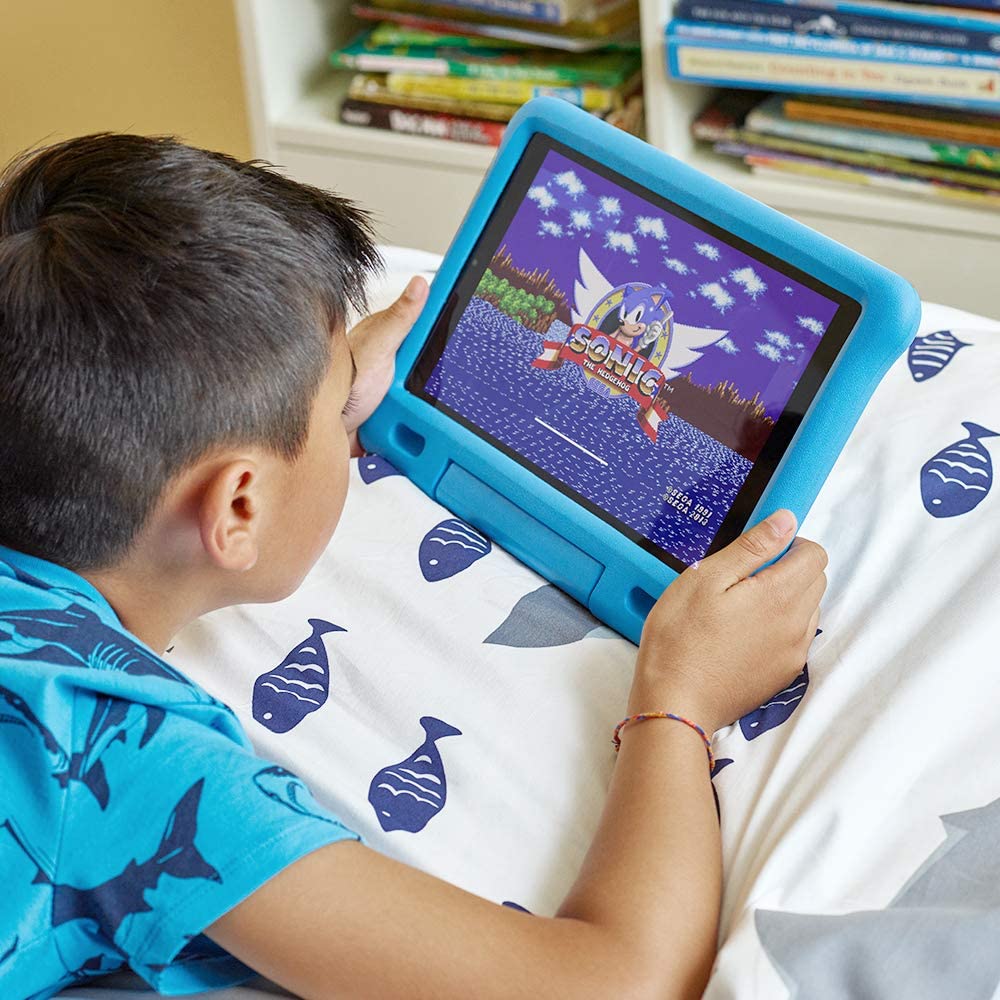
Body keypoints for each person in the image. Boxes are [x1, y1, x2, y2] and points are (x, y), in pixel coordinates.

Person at [0, 134, 827, 1000]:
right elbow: (614, 986)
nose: (355, 421)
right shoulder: (111, 746)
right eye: (339, 407)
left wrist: (299, 407)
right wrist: (679, 703)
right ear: (238, 508)